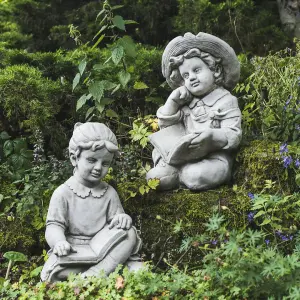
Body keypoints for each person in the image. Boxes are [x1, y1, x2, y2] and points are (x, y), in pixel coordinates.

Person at [41, 122, 141, 282]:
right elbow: (54, 226)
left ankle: (96, 273)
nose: (98, 168)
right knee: (53, 273)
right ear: (74, 158)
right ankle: (106, 272)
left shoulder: (109, 193)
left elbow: (116, 222)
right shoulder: (63, 193)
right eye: (92, 160)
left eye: (105, 163)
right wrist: (59, 242)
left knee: (129, 233)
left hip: (104, 249)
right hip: (75, 251)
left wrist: (123, 219)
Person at [146, 32, 242, 191]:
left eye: (196, 70)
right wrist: (172, 102)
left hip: (213, 158)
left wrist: (211, 136)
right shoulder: (185, 101)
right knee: (153, 177)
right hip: (182, 158)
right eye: (185, 75)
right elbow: (166, 127)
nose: (191, 77)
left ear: (216, 70)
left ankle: (180, 176)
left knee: (196, 175)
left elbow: (234, 134)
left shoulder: (226, 100)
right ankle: (174, 172)